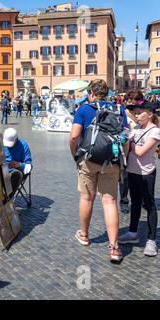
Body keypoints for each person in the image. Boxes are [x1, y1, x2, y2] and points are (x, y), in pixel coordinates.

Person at [69, 79, 128, 263]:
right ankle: (114, 248)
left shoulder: (84, 109)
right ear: (107, 93)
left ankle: (84, 235)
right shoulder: (119, 110)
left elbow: (74, 136)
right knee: (110, 201)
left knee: (87, 197)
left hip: (88, 159)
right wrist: (122, 160)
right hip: (111, 160)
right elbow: (125, 139)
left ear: (91, 93)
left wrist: (75, 156)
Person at [119, 101, 159, 257]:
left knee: (149, 205)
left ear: (149, 114)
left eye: (139, 112)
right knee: (135, 202)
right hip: (132, 171)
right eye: (134, 113)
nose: (136, 115)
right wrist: (124, 142)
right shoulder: (134, 129)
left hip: (146, 173)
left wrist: (130, 141)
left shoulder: (155, 131)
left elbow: (141, 151)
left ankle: (151, 240)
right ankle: (132, 233)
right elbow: (127, 151)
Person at [3, 128, 32, 200]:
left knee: (17, 174)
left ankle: (7, 199)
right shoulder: (1, 144)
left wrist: (18, 164)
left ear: (16, 139)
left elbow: (29, 166)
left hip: (15, 171)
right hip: (2, 170)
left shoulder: (23, 145)